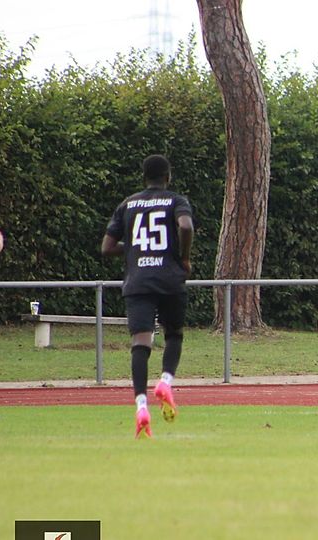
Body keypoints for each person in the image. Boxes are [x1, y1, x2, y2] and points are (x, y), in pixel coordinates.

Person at [101, 154, 194, 439]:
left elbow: (106, 248)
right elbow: (186, 226)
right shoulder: (176, 200)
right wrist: (184, 257)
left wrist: (134, 249)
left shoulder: (127, 204)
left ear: (144, 177)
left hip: (138, 281)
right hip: (169, 279)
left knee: (140, 344)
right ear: (168, 176)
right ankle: (165, 381)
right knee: (174, 335)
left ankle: (141, 406)